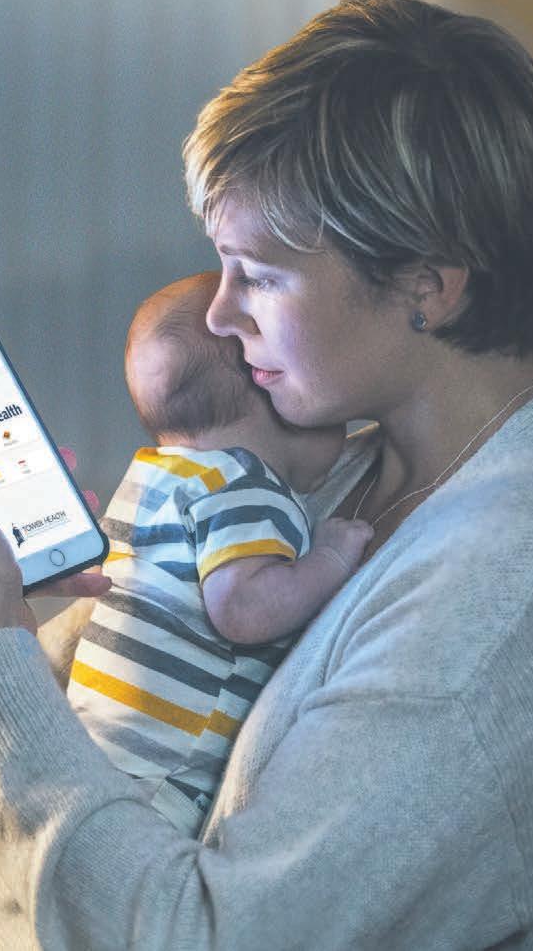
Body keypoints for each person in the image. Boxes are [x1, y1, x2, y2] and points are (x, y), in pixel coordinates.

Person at [0, 0, 533, 949]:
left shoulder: (511, 593)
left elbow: (169, 926)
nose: (218, 316)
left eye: (259, 275)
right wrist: (95, 614)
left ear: (426, 286)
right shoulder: (342, 471)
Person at [67, 271, 370, 832]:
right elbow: (243, 609)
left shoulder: (151, 479)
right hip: (165, 778)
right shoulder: (245, 484)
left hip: (93, 753)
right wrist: (328, 560)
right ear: (268, 388)